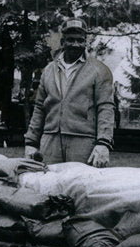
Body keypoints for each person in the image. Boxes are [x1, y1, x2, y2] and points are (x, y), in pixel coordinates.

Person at [24, 18, 115, 166]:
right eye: (70, 40)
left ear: (85, 42)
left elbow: (106, 107)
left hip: (83, 141)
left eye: (80, 40)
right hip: (50, 141)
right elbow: (40, 107)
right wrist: (31, 142)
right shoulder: (48, 70)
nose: (75, 44)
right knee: (47, 185)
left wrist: (103, 143)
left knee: (81, 186)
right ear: (62, 42)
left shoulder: (99, 70)